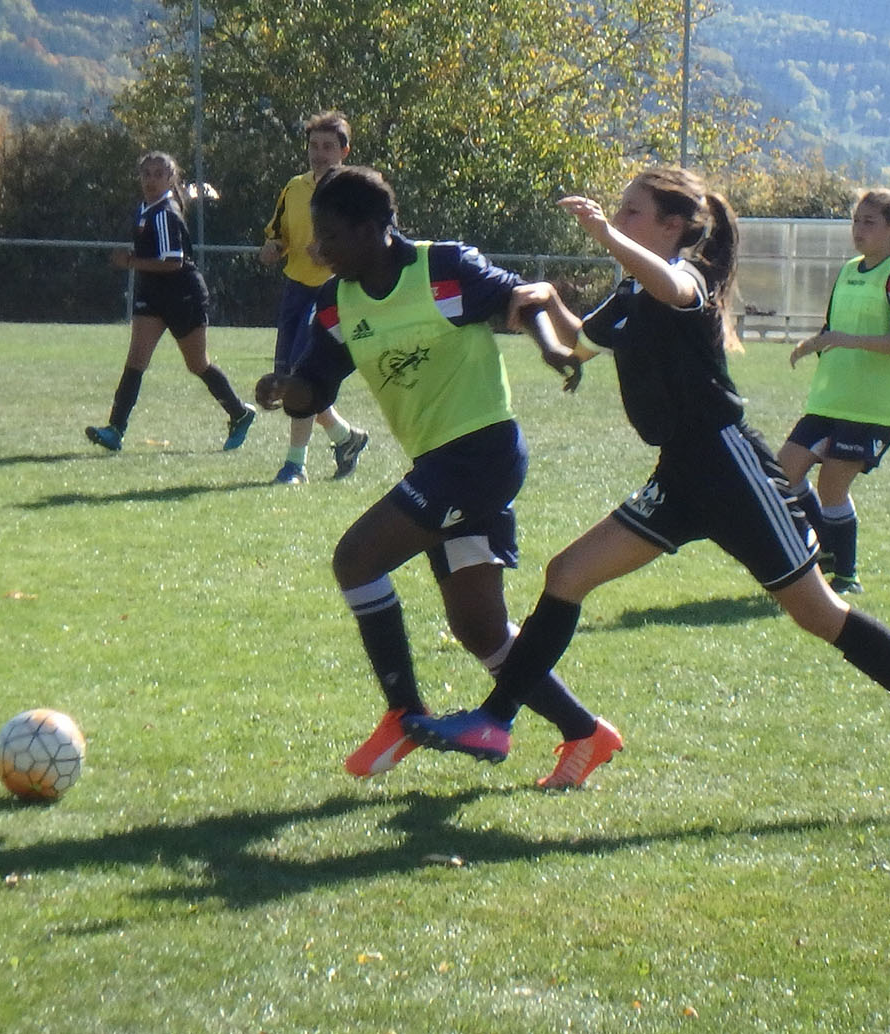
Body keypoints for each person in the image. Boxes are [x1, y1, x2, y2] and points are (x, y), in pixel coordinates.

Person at [399, 165, 890, 801]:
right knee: (566, 575)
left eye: (632, 211)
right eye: (619, 211)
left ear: (673, 226)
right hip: (679, 473)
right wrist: (547, 302)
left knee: (818, 614)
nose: (618, 219)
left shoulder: (688, 277)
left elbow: (673, 287)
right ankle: (496, 719)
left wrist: (605, 236)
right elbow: (578, 342)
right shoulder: (631, 291)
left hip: (730, 469)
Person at [255, 165, 619, 787]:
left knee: (356, 560)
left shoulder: (442, 268)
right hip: (440, 464)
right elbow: (315, 385)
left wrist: (551, 348)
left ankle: (403, 713)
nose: (319, 248)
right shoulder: (336, 303)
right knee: (479, 629)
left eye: (330, 235)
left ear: (373, 229)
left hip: (480, 456)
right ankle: (585, 732)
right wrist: (286, 389)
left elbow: (526, 298)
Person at [776, 188, 890, 595]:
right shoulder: (848, 271)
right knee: (781, 474)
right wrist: (813, 343)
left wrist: (850, 341)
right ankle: (823, 547)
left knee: (832, 486)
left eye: (869, 222)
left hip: (871, 407)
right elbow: (833, 329)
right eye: (856, 221)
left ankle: (846, 575)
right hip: (829, 399)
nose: (858, 230)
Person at [84, 151, 257, 453]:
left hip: (182, 295)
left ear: (170, 178)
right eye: (146, 174)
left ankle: (240, 413)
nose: (150, 180)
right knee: (135, 361)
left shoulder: (164, 212)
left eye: (158, 174)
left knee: (197, 364)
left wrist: (130, 262)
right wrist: (135, 261)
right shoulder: (144, 208)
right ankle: (115, 430)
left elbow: (173, 262)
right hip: (152, 295)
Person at [258, 111, 371, 485]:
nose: (319, 154)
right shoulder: (294, 188)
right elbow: (278, 233)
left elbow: (372, 242)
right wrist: (273, 247)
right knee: (289, 377)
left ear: (344, 151)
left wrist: (335, 254)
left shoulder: (355, 192)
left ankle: (295, 465)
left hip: (335, 296)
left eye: (328, 147)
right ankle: (346, 437)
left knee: (301, 377)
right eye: (314, 146)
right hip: (296, 292)